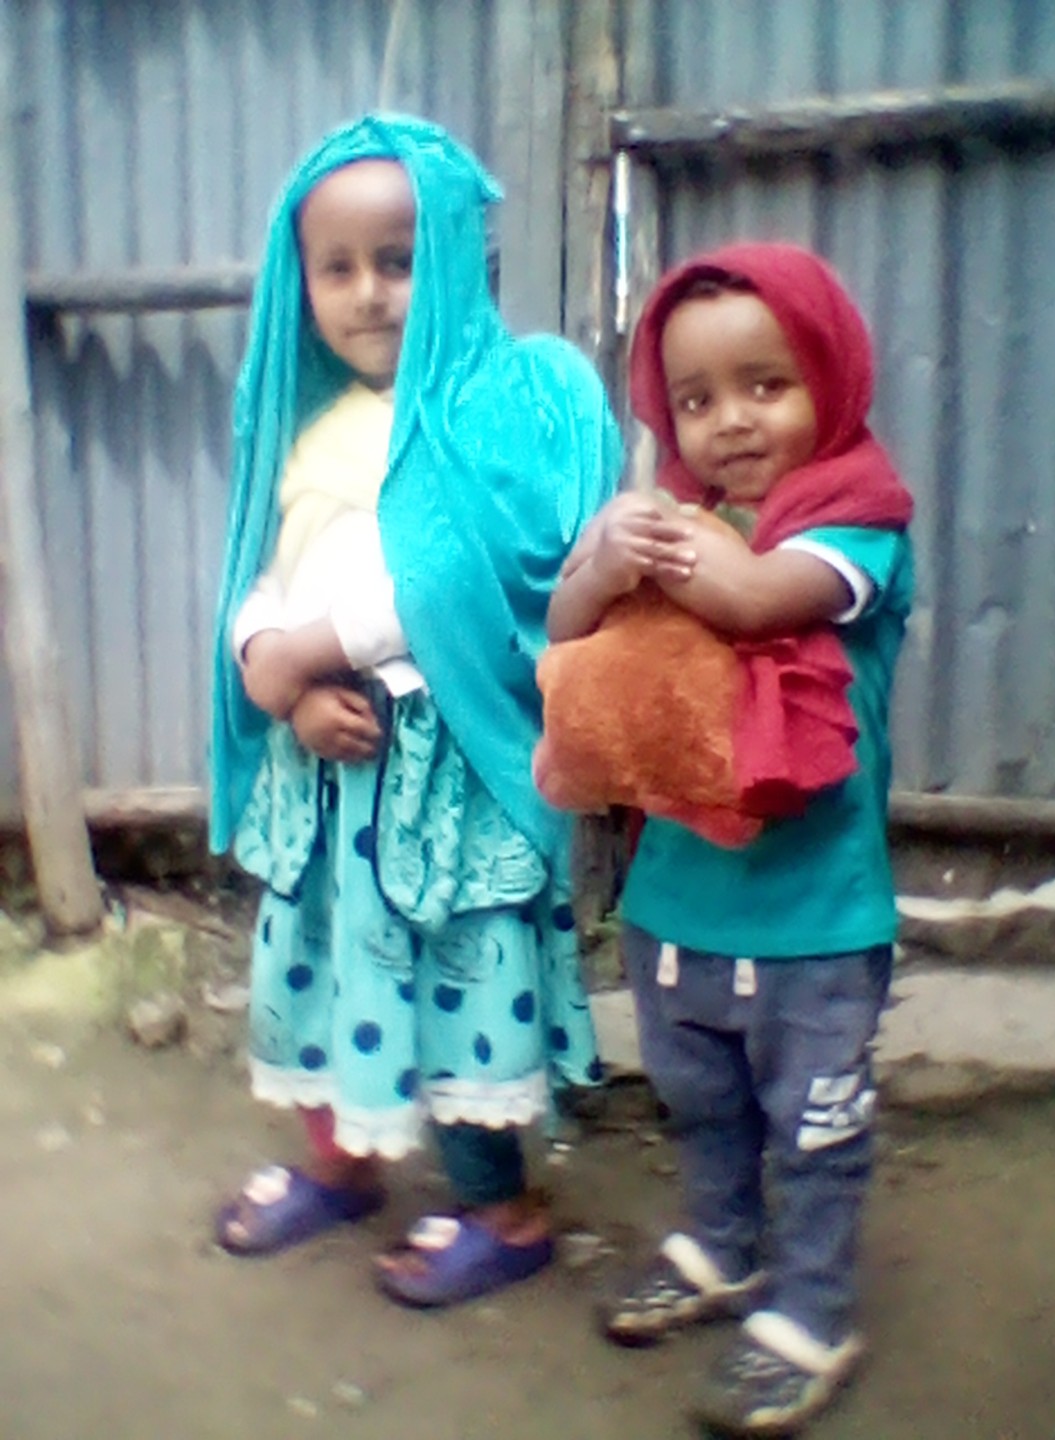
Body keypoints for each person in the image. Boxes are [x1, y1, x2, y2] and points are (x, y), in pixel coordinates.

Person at [208, 114, 622, 1308]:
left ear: (455, 263)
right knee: (323, 964)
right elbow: (263, 576)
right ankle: (341, 1168)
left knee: (460, 982)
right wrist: (269, 666)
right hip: (325, 779)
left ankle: (503, 1211)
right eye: (335, 267)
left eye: (399, 261)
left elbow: (471, 591)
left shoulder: (502, 410)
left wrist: (310, 653)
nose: (368, 294)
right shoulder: (307, 425)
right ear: (299, 282)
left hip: (449, 775)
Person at [547, 242, 914, 1436]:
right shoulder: (676, 525)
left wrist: (648, 539)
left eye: (767, 384)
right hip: (676, 905)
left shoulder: (858, 530)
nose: (732, 421)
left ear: (833, 380)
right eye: (695, 400)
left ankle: (811, 1311)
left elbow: (756, 599)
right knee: (701, 1102)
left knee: (814, 1129)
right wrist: (602, 558)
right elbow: (567, 631)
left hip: (815, 921)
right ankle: (721, 1248)